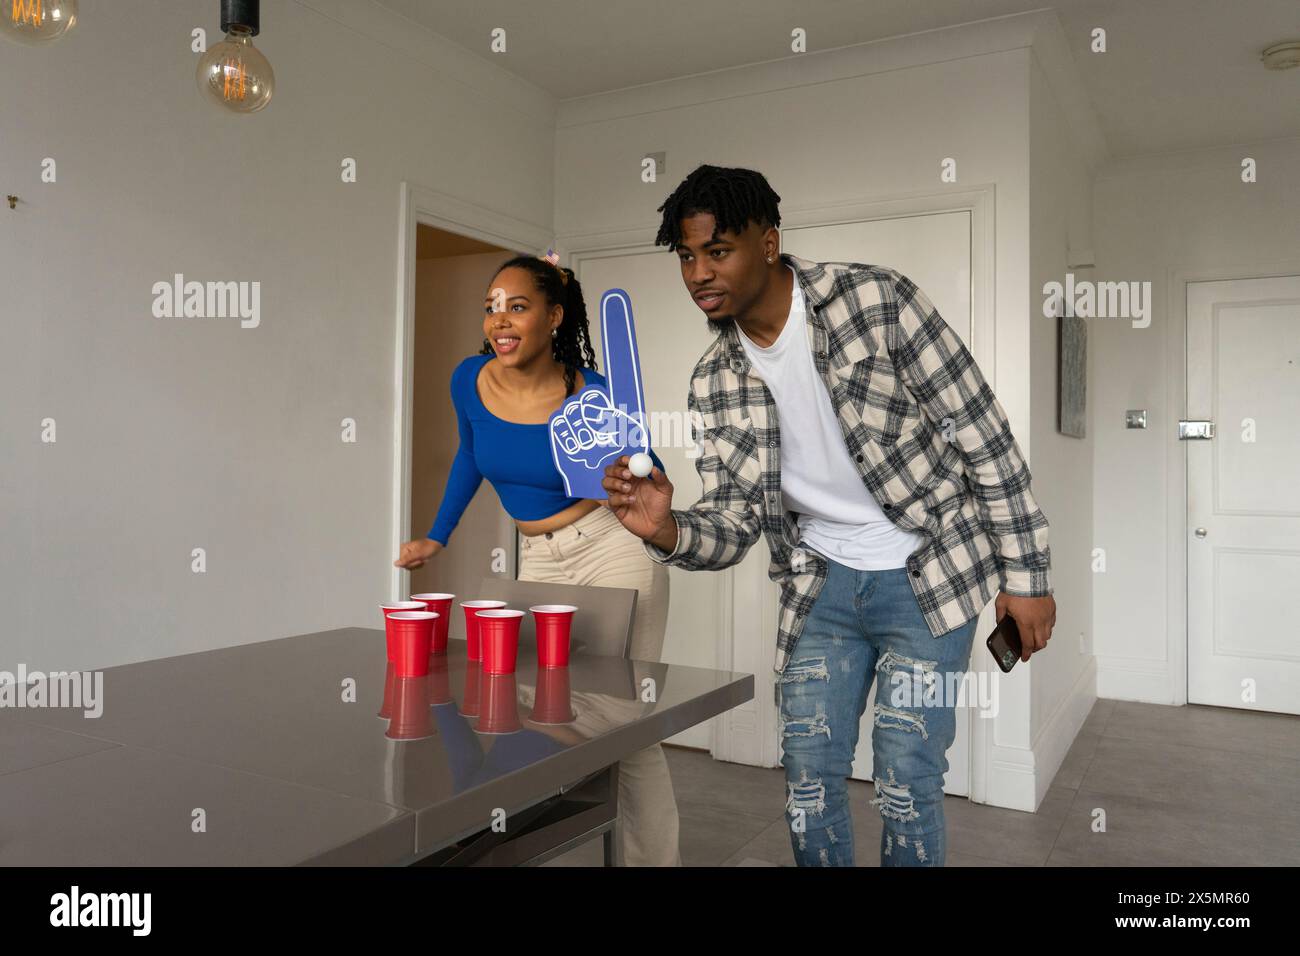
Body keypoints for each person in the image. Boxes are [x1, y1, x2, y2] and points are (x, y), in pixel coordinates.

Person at [601, 164, 1056, 867]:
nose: (697, 273)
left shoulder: (878, 301)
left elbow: (982, 436)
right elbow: (732, 519)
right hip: (821, 587)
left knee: (907, 777)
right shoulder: (714, 379)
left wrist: (1025, 577)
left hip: (928, 576)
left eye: (716, 251)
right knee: (809, 778)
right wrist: (668, 527)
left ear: (769, 241)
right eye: (686, 257)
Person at [395, 253, 681, 867]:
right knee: (542, 715)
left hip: (611, 549)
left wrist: (636, 457)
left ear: (554, 316)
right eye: (492, 306)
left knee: (626, 728)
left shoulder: (594, 394)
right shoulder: (467, 379)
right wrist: (437, 536)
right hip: (540, 561)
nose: (500, 319)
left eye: (518, 306)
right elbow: (471, 455)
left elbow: (644, 470)